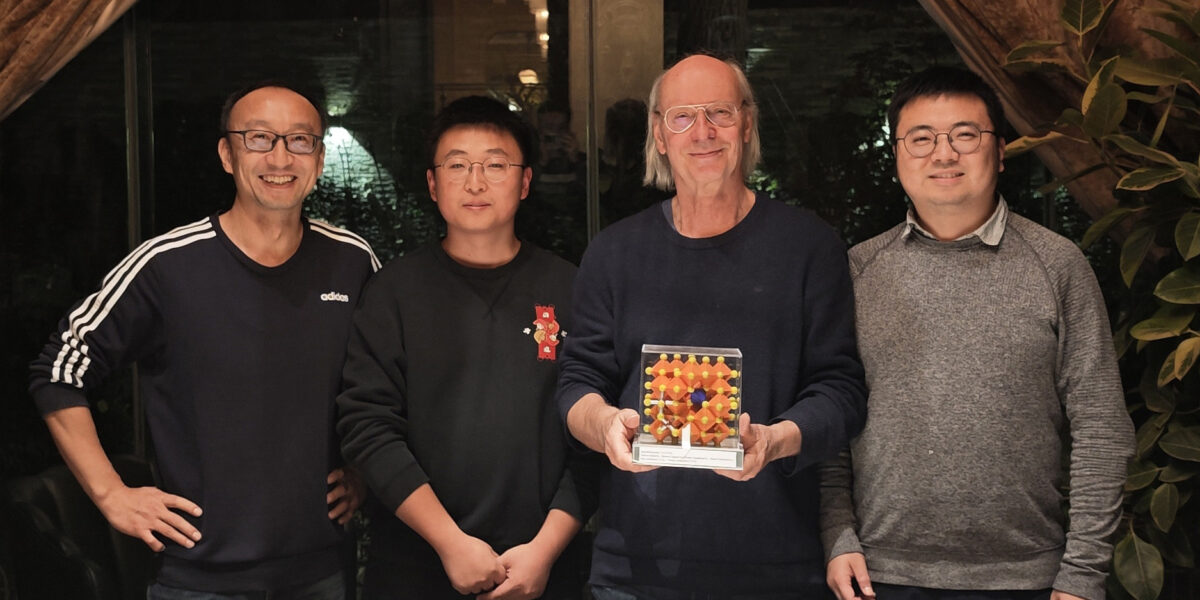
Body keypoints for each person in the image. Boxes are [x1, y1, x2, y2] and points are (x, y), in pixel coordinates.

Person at [28, 82, 379, 597]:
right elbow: (58, 370)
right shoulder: (167, 265)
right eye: (259, 138)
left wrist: (363, 472)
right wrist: (111, 495)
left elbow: (389, 381)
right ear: (227, 154)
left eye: (300, 140)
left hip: (323, 573)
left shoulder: (353, 261)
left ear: (320, 159)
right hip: (197, 580)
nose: (280, 157)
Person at [557, 53, 868, 598]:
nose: (702, 132)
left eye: (719, 112)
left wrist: (773, 441)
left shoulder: (808, 248)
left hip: (778, 567)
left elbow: (841, 392)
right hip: (634, 570)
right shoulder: (613, 254)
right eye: (682, 117)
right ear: (659, 134)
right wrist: (603, 425)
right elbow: (577, 382)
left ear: (746, 123)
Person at [819, 66, 1135, 600]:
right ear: (897, 155)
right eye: (921, 138)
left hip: (1030, 579)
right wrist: (837, 534)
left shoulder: (1057, 265)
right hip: (879, 575)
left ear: (1001, 152)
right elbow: (832, 415)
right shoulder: (857, 270)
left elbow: (1101, 424)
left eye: (965, 135)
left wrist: (1083, 573)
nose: (944, 154)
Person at [337, 95, 595, 600]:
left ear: (525, 182)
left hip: (547, 568)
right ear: (433, 184)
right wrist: (450, 543)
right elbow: (367, 425)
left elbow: (593, 433)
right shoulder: (394, 292)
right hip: (415, 567)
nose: (475, 182)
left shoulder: (570, 288)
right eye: (457, 166)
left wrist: (544, 551)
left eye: (495, 165)